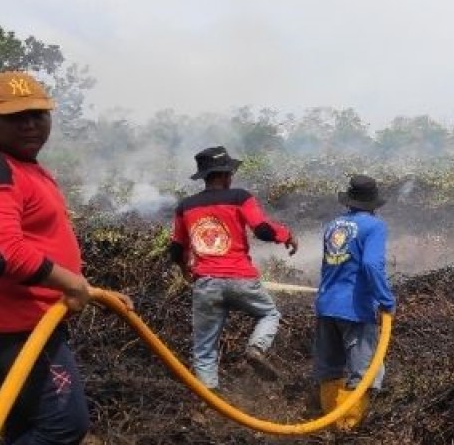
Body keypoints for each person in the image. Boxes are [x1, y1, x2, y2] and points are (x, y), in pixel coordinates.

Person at [0, 70, 133, 445]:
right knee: (63, 426)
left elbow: (39, 243)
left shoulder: (22, 165)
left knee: (24, 427)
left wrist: (92, 291)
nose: (30, 124)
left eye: (38, 114)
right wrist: (69, 282)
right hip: (12, 329)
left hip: (28, 321)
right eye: (15, 116)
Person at [168, 145, 297, 391]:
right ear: (226, 175)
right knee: (269, 314)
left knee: (204, 348)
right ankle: (256, 349)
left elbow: (176, 247)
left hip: (206, 283)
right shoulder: (240, 197)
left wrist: (185, 269)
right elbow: (262, 229)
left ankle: (210, 404)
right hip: (241, 279)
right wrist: (286, 235)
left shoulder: (185, 206)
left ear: (205, 176)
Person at [313, 174, 396, 430]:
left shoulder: (333, 225)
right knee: (363, 372)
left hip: (326, 305)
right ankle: (348, 427)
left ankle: (330, 423)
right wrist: (385, 299)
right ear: (373, 203)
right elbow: (371, 264)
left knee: (330, 370)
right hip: (355, 309)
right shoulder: (374, 226)